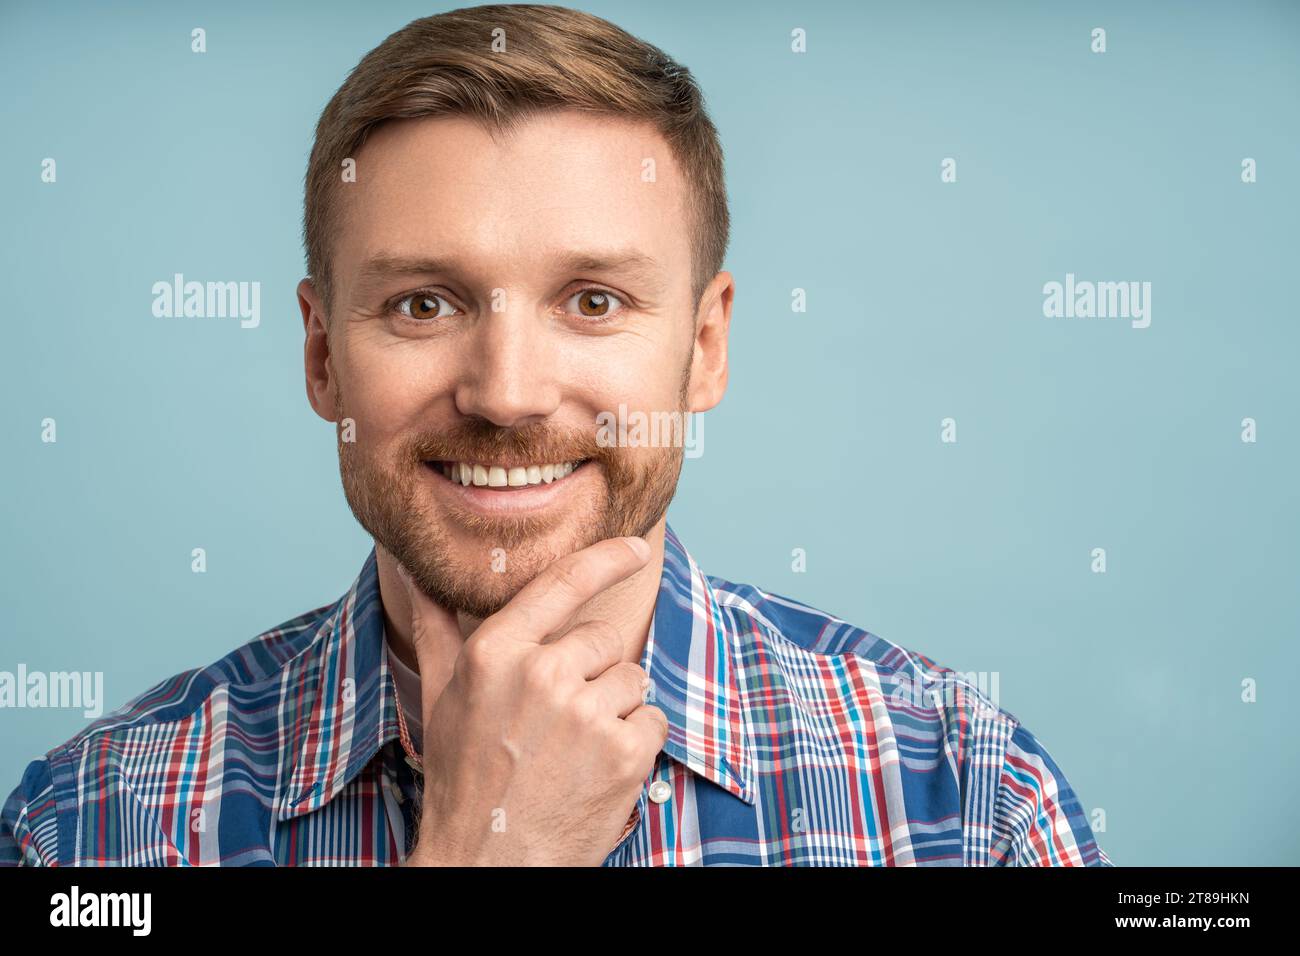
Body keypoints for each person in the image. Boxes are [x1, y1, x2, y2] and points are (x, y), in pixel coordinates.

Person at [0, 4, 1110, 866]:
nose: (507, 394)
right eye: (423, 303)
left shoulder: (965, 800)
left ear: (706, 345)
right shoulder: (92, 825)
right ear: (322, 354)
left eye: (592, 301)